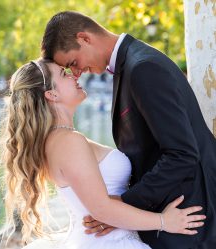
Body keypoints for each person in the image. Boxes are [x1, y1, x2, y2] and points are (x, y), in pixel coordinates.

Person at [41, 11, 216, 249]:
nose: (78, 72)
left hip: (188, 218)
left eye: (73, 63)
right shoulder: (131, 65)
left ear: (84, 38)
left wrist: (123, 205)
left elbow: (182, 153)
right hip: (168, 216)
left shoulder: (143, 68)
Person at [0, 58, 205, 249]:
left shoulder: (59, 139)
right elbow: (102, 210)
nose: (74, 75)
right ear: (52, 94)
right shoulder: (68, 142)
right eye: (63, 73)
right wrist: (163, 221)